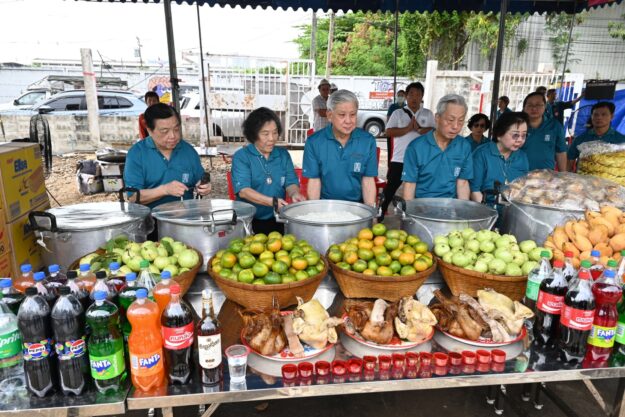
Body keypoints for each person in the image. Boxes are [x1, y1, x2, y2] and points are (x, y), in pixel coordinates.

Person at [231, 107, 306, 234]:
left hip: (276, 218)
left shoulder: (283, 155)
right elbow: (243, 191)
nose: (271, 138)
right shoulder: (242, 156)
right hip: (248, 220)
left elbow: (290, 182)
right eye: (265, 134)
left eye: (275, 132)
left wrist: (294, 194)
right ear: (253, 135)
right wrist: (273, 202)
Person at [124, 103, 211, 208]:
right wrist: (164, 190)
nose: (173, 136)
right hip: (151, 216)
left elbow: (200, 179)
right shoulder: (137, 154)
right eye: (165, 131)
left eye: (176, 129)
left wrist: (204, 186)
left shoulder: (188, 151)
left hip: (186, 215)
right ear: (149, 130)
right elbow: (133, 197)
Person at [303, 89, 378, 206]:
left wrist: (371, 212)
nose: (348, 121)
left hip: (357, 207)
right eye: (342, 115)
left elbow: (368, 180)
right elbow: (314, 181)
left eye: (352, 115)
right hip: (325, 206)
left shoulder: (367, 141)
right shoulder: (314, 142)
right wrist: (315, 211)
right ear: (329, 115)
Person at [401, 94, 473, 200]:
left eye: (461, 121)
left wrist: (462, 208)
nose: (455, 126)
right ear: (437, 118)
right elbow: (410, 184)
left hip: (451, 206)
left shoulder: (464, 146)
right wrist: (409, 209)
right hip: (422, 205)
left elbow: (462, 183)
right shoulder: (416, 147)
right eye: (450, 120)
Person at [381, 82, 434, 216]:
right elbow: (388, 132)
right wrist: (408, 129)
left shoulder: (427, 114)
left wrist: (420, 130)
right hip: (400, 158)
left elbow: (434, 131)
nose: (414, 98)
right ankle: (380, 213)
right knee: (390, 188)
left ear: (422, 96)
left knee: (420, 189)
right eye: (411, 94)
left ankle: (417, 216)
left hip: (421, 160)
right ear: (406, 96)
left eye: (418, 95)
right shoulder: (398, 113)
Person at [470, 112, 530, 208]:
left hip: (513, 211)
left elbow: (523, 189)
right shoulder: (481, 154)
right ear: (499, 134)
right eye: (515, 135)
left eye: (523, 135)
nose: (520, 139)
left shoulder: (522, 157)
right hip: (486, 210)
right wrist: (489, 213)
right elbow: (474, 191)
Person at [567, 101, 625, 172]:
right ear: (591, 117)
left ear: (612, 117)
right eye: (596, 115)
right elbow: (569, 162)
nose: (599, 117)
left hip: (611, 178)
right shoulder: (580, 139)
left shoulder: (621, 140)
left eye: (604, 114)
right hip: (583, 178)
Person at [520, 92, 568, 172]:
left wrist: (563, 175)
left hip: (546, 176)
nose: (534, 108)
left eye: (538, 105)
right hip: (520, 174)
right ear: (524, 108)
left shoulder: (555, 126)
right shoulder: (516, 126)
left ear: (545, 106)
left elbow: (561, 152)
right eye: (530, 105)